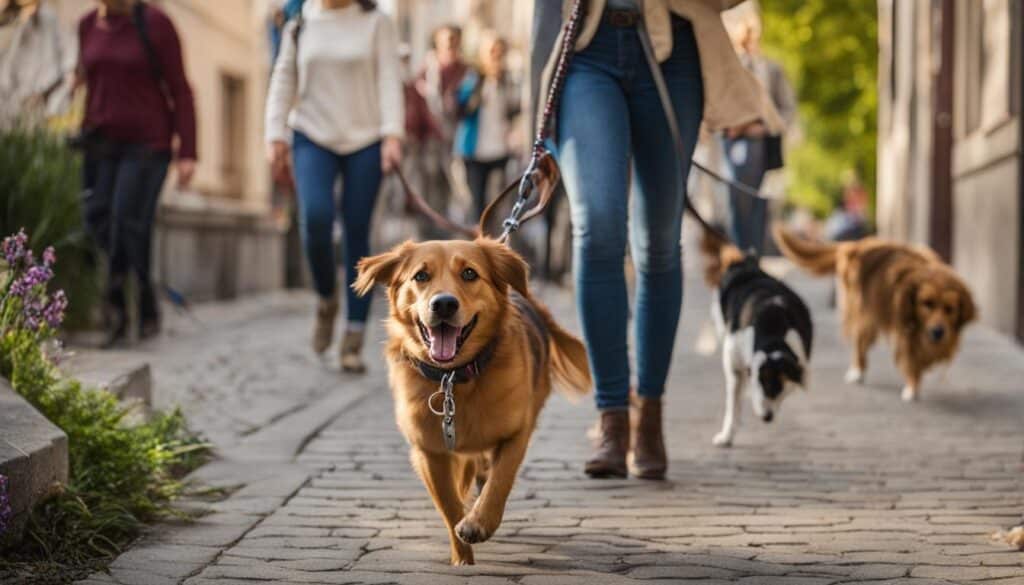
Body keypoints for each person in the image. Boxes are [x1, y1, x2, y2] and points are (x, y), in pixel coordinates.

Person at [543, 0, 783, 479]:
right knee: (597, 229)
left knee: (657, 242)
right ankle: (612, 415)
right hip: (587, 47)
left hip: (675, 50)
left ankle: (649, 414)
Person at [265, 0, 402, 373]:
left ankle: (353, 338)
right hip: (311, 134)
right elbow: (283, 77)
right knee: (316, 219)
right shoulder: (300, 18)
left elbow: (389, 78)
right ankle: (327, 298)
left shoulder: (376, 21)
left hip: (366, 139)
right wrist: (275, 134)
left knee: (357, 233)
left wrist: (392, 135)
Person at [77, 0, 197, 347]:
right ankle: (145, 297)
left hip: (148, 144)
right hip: (100, 143)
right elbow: (89, 79)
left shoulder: (157, 24)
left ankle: (116, 311)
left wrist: (187, 151)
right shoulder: (86, 25)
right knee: (96, 216)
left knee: (124, 219)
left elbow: (180, 90)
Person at [723, 16, 796, 255]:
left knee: (757, 202)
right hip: (732, 141)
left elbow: (787, 109)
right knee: (737, 200)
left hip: (760, 143)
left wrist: (764, 128)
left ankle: (753, 255)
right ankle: (740, 252)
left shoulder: (771, 70)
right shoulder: (726, 68)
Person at [454, 32, 520, 221]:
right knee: (477, 205)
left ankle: (494, 244)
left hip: (500, 151)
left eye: (500, 51)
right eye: (492, 51)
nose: (496, 56)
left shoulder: (509, 81)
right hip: (474, 152)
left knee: (499, 203)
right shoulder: (473, 79)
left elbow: (515, 111)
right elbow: (461, 108)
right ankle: (477, 243)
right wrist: (481, 87)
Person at [414, 24, 467, 237]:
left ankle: (448, 235)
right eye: (445, 40)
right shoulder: (426, 72)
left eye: (453, 39)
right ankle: (426, 237)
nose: (449, 44)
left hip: (457, 142)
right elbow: (415, 105)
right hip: (429, 143)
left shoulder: (466, 72)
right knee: (427, 193)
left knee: (454, 193)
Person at [0, 0, 71, 127]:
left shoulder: (48, 18)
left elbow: (55, 63)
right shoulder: (9, 20)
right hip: (7, 99)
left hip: (32, 102)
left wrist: (42, 93)